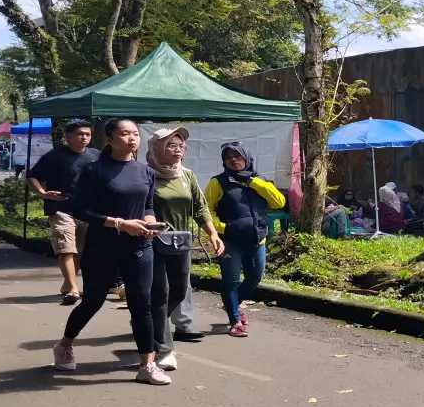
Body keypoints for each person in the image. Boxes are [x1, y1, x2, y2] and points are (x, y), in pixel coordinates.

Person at [53, 118, 170, 386]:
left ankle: (147, 364)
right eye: (125, 133)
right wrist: (118, 223)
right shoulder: (94, 170)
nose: (132, 138)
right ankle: (65, 345)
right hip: (102, 246)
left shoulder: (146, 172)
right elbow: (81, 210)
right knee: (92, 301)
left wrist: (150, 223)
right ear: (110, 139)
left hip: (140, 246)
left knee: (142, 304)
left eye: (135, 134)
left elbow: (148, 206)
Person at [146, 128, 224, 369]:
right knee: (161, 293)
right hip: (151, 241)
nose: (178, 149)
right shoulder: (146, 175)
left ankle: (148, 323)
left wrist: (213, 234)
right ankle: (164, 349)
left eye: (181, 145)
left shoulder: (186, 175)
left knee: (179, 290)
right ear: (158, 148)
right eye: (171, 145)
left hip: (180, 240)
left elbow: (200, 208)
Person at [205, 142, 285, 337]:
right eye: (228, 157)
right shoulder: (218, 182)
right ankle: (235, 321)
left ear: (247, 158)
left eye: (238, 156)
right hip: (230, 241)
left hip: (258, 239)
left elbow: (278, 202)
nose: (233, 160)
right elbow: (206, 210)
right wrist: (223, 228)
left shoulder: (260, 180)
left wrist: (254, 183)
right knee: (231, 281)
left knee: (255, 277)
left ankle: (231, 304)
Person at [28, 120, 100, 305]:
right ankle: (74, 289)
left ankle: (68, 284)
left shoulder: (96, 155)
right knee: (66, 247)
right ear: (68, 137)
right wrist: (43, 193)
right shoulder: (54, 156)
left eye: (87, 134)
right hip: (60, 208)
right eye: (79, 134)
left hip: (87, 210)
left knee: (79, 250)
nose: (84, 137)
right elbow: (32, 176)